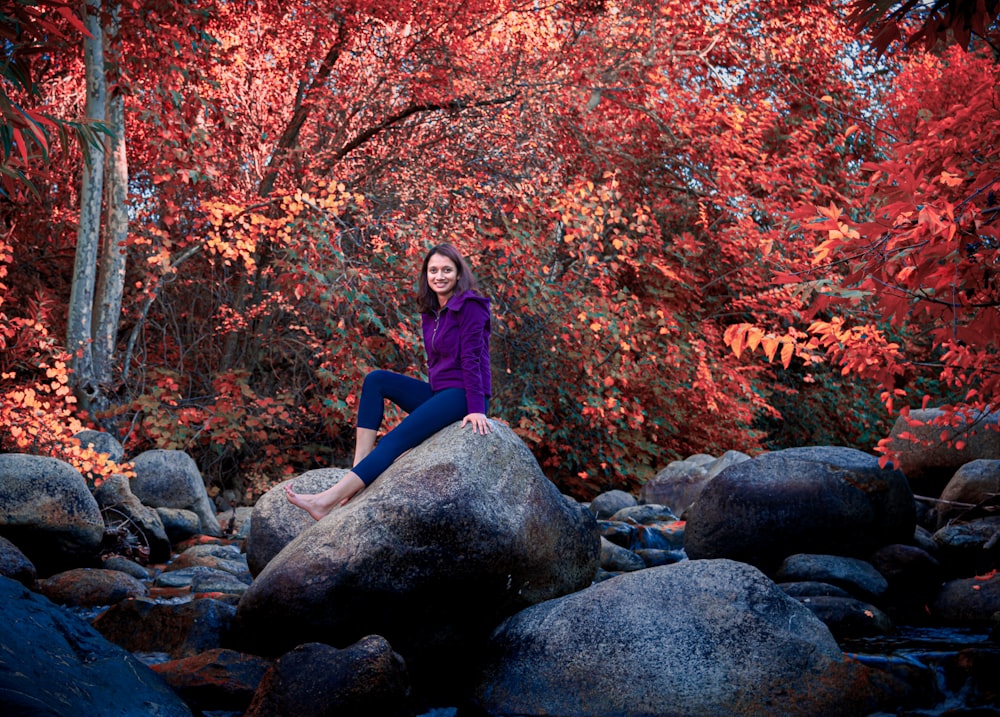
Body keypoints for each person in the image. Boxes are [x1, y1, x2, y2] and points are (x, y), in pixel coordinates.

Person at [284, 243, 493, 520]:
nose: (439, 276)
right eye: (433, 270)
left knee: (394, 440)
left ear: (458, 274)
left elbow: (473, 358)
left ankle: (324, 503)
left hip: (464, 394)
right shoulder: (431, 311)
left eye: (446, 270)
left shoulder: (471, 306)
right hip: (439, 392)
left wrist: (477, 407)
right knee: (376, 380)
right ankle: (360, 468)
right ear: (426, 275)